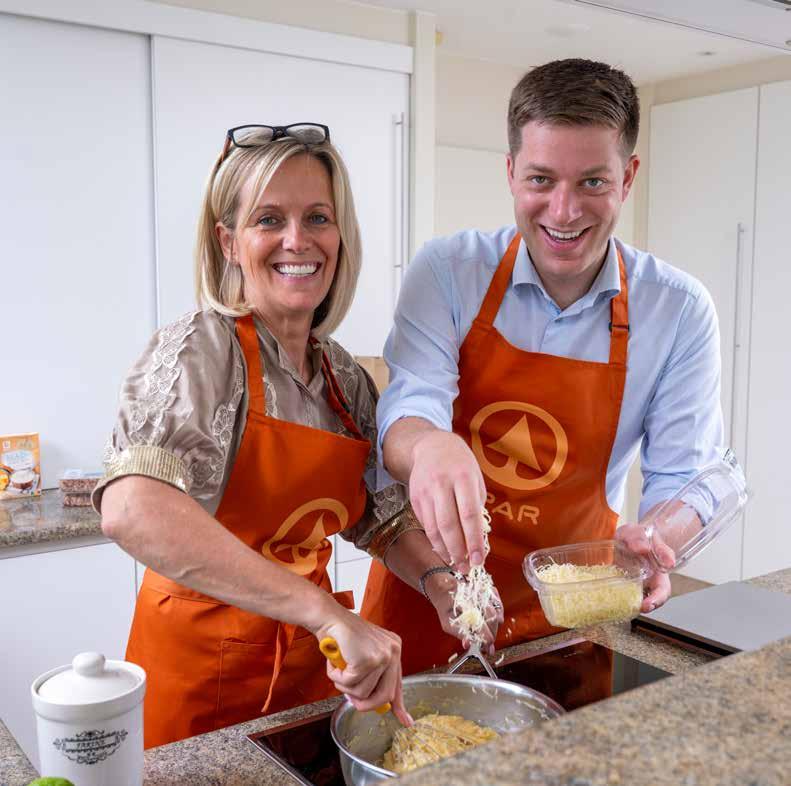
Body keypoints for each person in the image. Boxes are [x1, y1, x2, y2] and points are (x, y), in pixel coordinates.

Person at [361, 59, 724, 675]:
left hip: (573, 618)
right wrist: (427, 447)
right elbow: (408, 408)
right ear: (510, 172)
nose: (563, 210)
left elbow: (685, 475)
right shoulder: (448, 271)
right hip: (426, 595)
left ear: (628, 177)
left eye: (592, 182)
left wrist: (660, 540)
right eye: (540, 179)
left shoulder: (679, 310)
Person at [94, 124, 415, 747]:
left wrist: (444, 584)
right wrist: (323, 610)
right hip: (198, 674)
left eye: (318, 217)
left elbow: (383, 519)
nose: (298, 240)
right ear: (229, 242)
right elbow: (130, 509)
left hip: (309, 663)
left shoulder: (342, 375)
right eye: (269, 219)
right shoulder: (202, 349)